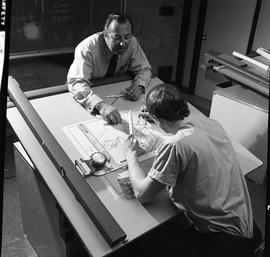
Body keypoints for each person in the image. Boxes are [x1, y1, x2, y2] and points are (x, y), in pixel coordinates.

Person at [121, 83, 262, 257]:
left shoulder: (175, 145)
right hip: (248, 228)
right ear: (185, 105)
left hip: (224, 244)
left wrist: (131, 154)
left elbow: (143, 194)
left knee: (140, 244)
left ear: (156, 118)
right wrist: (161, 121)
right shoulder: (212, 124)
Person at [67, 13, 152, 124]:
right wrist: (101, 106)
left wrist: (139, 86)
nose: (122, 43)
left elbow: (145, 69)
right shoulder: (87, 48)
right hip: (91, 93)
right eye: (116, 38)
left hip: (118, 93)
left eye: (127, 37)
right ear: (105, 35)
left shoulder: (133, 42)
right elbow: (76, 83)